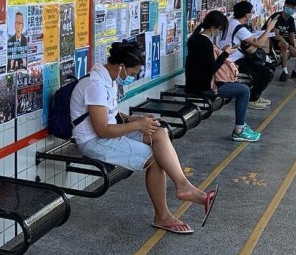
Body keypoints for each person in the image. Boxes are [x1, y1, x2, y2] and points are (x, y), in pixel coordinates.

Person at [71, 42, 217, 235]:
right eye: (132, 74)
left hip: (109, 132)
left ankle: (183, 186)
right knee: (155, 159)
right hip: (93, 142)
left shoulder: (109, 78)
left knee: (159, 132)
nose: (132, 78)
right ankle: (163, 216)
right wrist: (137, 126)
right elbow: (102, 130)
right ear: (121, 66)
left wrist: (136, 120)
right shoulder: (95, 85)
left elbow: (110, 114)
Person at [186, 10, 261, 142]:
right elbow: (212, 69)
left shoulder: (195, 38)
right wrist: (226, 53)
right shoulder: (205, 42)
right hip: (204, 87)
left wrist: (223, 52)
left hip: (194, 83)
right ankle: (239, 129)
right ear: (214, 28)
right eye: (219, 30)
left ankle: (241, 126)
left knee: (240, 87)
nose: (219, 33)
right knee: (244, 90)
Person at [219, 1, 277, 109]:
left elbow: (250, 41)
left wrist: (254, 44)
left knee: (269, 66)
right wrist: (269, 28)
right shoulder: (239, 27)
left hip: (233, 57)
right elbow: (259, 43)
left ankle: (255, 95)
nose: (252, 14)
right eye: (252, 12)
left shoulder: (231, 22)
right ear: (247, 14)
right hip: (233, 60)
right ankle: (252, 99)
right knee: (267, 73)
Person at [267, 0, 296, 81]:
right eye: (289, 7)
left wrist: (295, 47)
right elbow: (275, 35)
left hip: (281, 38)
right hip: (270, 40)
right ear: (284, 6)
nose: (291, 9)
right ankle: (284, 72)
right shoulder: (277, 17)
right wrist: (290, 47)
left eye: (293, 8)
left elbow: (291, 35)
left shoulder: (290, 19)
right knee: (284, 45)